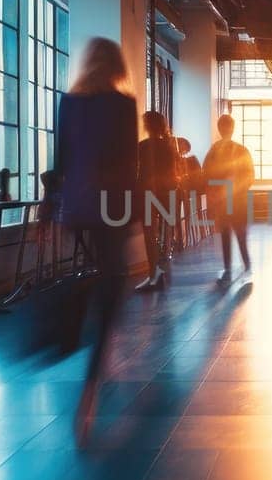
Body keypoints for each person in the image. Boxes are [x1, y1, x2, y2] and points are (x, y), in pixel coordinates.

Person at [54, 38, 138, 441]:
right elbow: (128, 164)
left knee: (94, 274)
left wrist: (46, 213)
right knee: (112, 283)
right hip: (111, 207)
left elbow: (60, 161)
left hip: (76, 206)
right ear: (118, 66)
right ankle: (90, 391)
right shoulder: (123, 105)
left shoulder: (68, 103)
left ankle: (93, 329)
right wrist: (137, 215)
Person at [204, 113, 254, 284]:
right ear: (233, 129)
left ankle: (229, 268)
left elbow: (206, 175)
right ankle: (246, 266)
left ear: (220, 129)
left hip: (224, 201)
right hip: (237, 200)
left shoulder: (213, 151)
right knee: (240, 235)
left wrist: (214, 195)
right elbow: (250, 175)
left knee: (227, 234)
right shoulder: (241, 150)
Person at [135, 111, 179, 291]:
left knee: (149, 233)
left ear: (148, 126)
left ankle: (153, 272)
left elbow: (141, 173)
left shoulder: (143, 146)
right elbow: (172, 172)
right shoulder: (169, 146)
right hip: (166, 192)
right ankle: (157, 269)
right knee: (161, 232)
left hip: (148, 193)